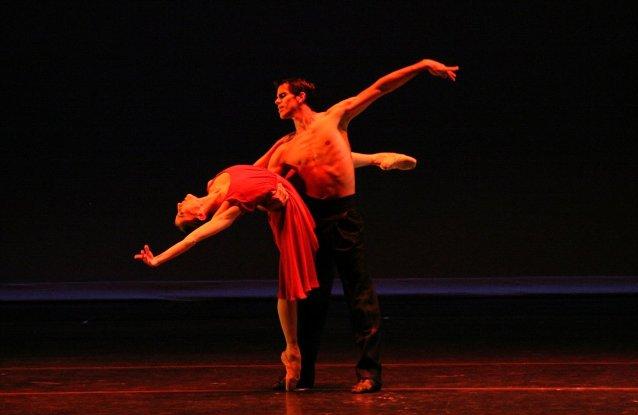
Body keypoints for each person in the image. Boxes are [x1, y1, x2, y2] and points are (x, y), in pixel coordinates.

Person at [258, 58, 458, 393]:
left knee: (359, 295)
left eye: (282, 95)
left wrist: (422, 66)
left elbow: (380, 87)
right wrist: (205, 202)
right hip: (310, 222)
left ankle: (369, 373)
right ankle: (302, 375)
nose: (277, 101)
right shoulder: (285, 147)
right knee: (310, 300)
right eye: (276, 97)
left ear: (300, 98)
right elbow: (251, 179)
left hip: (343, 218)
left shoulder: (334, 118)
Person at [133, 164, 320, 391]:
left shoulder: (213, 183)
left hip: (283, 192)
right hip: (290, 213)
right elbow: (191, 239)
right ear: (201, 215)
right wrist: (157, 260)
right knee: (288, 283)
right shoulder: (227, 211)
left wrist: (268, 202)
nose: (179, 204)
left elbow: (255, 184)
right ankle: (292, 350)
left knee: (290, 281)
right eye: (181, 212)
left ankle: (292, 352)